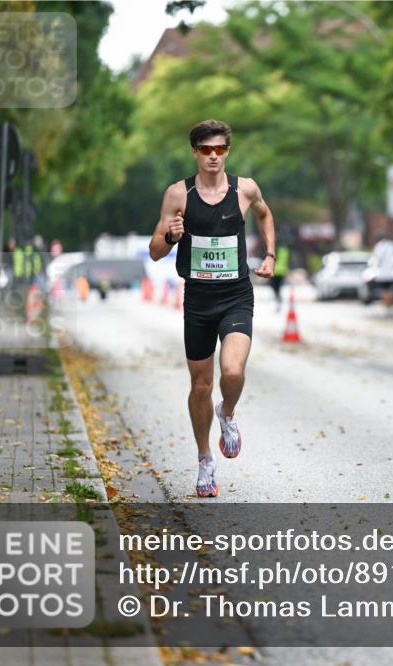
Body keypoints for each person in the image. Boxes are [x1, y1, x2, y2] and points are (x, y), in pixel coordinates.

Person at [149, 119, 275, 498]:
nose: (214, 156)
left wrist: (270, 254)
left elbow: (265, 214)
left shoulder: (245, 189)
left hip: (236, 294)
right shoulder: (178, 195)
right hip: (198, 301)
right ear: (195, 152)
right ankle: (205, 459)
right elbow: (155, 250)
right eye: (206, 150)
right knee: (200, 386)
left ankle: (229, 413)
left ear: (227, 151)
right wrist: (171, 235)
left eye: (220, 149)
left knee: (233, 371)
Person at [369, 232, 393, 307]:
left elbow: (376, 259)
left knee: (385, 291)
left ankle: (386, 306)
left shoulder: (378, 246)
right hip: (391, 273)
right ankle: (390, 305)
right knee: (390, 291)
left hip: (382, 273)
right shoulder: (391, 245)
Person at [269, 243, 290, 311]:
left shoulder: (274, 249)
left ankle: (278, 299)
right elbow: (287, 261)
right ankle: (278, 299)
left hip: (275, 272)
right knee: (277, 288)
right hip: (281, 272)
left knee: (275, 287)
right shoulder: (285, 250)